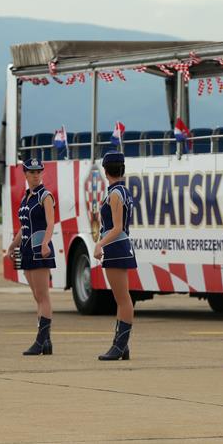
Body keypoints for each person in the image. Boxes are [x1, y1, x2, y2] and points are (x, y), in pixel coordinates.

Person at [3, 158, 56, 356]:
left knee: (43, 296)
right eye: (32, 172)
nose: (36, 175)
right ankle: (46, 341)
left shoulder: (45, 196)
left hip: (39, 249)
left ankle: (41, 340)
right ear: (25, 174)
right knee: (37, 296)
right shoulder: (26, 198)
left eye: (38, 172)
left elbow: (50, 223)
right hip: (26, 249)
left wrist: (45, 243)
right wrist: (12, 245)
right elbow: (24, 227)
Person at [93, 152, 137, 361]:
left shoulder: (115, 194)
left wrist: (99, 243)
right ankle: (121, 345)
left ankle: (120, 345)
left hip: (116, 246)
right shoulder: (122, 191)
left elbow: (117, 228)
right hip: (119, 246)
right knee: (121, 298)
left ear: (105, 170)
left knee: (122, 299)